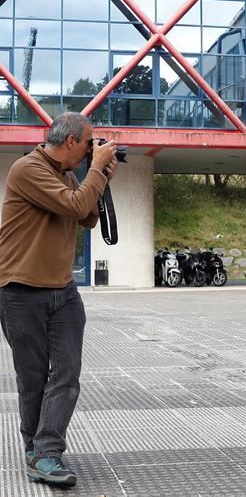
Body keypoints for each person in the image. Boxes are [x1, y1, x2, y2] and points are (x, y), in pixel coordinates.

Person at [0, 112, 118, 487]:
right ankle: (35, 450)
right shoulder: (27, 169)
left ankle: (47, 451)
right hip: (20, 289)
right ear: (71, 142)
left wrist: (101, 177)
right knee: (33, 378)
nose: (91, 149)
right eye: (88, 143)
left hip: (63, 291)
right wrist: (95, 171)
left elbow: (87, 217)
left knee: (66, 373)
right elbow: (75, 206)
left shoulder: (67, 175)